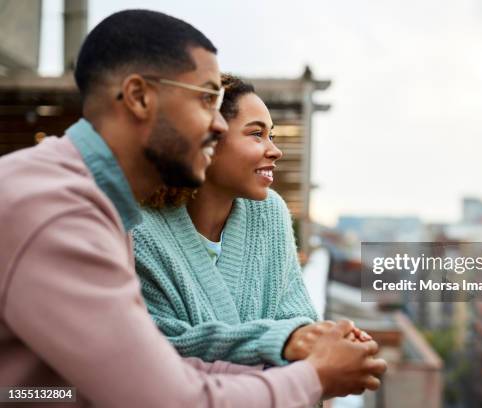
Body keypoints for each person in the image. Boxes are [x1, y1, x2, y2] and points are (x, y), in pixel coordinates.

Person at [0, 9, 386, 407]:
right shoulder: (56, 213)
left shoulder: (98, 204)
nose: (218, 125)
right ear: (138, 97)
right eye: (205, 99)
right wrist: (313, 377)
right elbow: (167, 398)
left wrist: (297, 354)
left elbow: (151, 372)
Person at [134, 74, 371, 367]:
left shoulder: (270, 213)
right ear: (207, 138)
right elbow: (158, 345)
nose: (275, 150)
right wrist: (282, 343)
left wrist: (321, 338)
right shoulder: (138, 232)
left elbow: (296, 315)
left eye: (271, 135)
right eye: (256, 134)